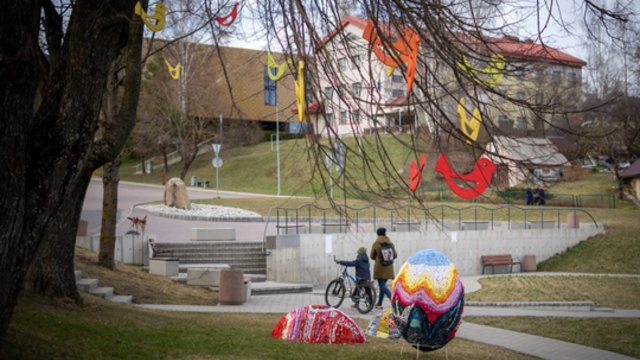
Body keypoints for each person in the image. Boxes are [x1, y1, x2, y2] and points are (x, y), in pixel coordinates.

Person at [370, 227, 397, 309]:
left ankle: (394, 301)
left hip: (380, 268)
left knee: (382, 286)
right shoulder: (390, 243)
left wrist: (379, 258)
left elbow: (372, 256)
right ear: (385, 233)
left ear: (377, 234)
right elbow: (395, 255)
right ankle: (379, 303)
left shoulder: (376, 243)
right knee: (383, 286)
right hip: (389, 267)